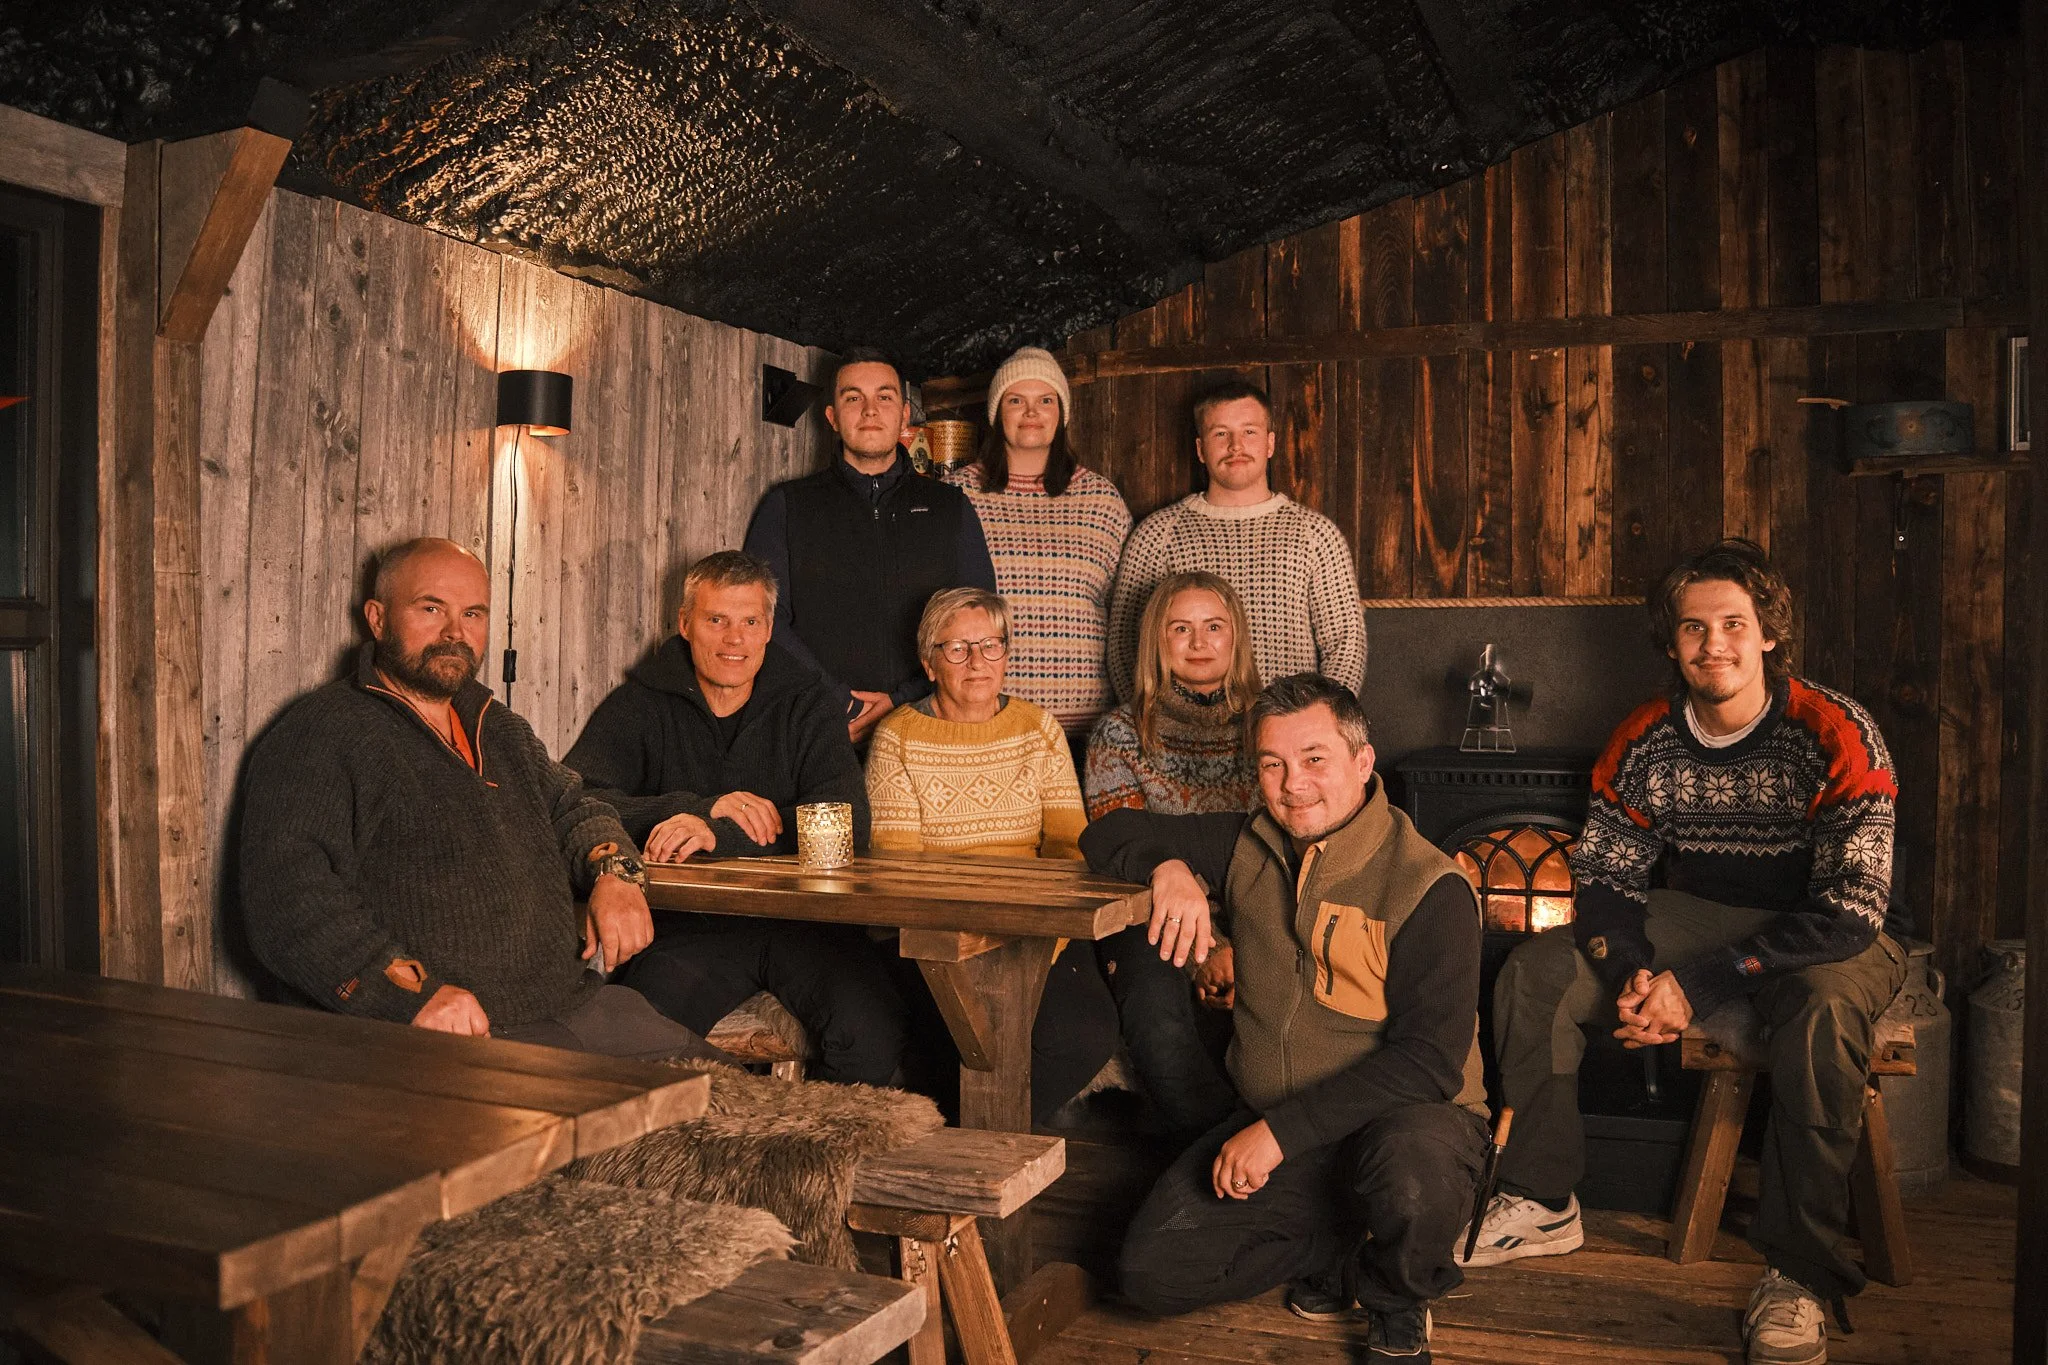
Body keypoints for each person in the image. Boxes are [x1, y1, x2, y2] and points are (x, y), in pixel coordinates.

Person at [1465, 539, 1901, 1365]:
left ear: (1768, 632)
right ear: (1672, 641)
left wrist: (1693, 986)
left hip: (1831, 932)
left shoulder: (1837, 730)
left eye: (1734, 623)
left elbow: (1849, 909)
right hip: (1698, 912)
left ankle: (1799, 1273)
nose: (1714, 645)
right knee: (1536, 971)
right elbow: (1602, 876)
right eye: (1693, 628)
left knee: (1821, 1011)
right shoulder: (1645, 739)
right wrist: (1636, 974)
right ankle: (1540, 1194)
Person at [1082, 674, 1486, 1362]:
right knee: (1150, 1271)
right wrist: (1169, 866)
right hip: (1284, 1126)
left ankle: (1395, 1291)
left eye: (1314, 758)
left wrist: (1278, 1133)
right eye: (1272, 763)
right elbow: (1109, 831)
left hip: (1408, 1122)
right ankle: (1342, 1238)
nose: (1292, 783)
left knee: (1411, 1178)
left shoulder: (1431, 884)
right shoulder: (1249, 844)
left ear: (1363, 762)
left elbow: (1427, 1062)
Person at [240, 537, 721, 1060]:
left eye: (473, 613)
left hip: (569, 1004)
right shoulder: (322, 732)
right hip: (447, 1036)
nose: (455, 632)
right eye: (431, 608)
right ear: (377, 619)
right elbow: (289, 900)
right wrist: (412, 1000)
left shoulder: (499, 730)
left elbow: (577, 809)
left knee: (731, 1100)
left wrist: (618, 875)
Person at [564, 549, 906, 1086]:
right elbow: (573, 801)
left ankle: (805, 1159)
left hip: (806, 924)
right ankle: (683, 1164)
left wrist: (716, 835)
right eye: (716, 620)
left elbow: (846, 824)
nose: (734, 639)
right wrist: (692, 810)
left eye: (750, 622)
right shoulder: (641, 702)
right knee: (626, 1047)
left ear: (769, 629)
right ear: (684, 624)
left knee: (873, 1036)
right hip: (691, 927)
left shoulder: (808, 702)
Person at [865, 587, 1117, 1126]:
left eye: (991, 645)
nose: (977, 661)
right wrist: (980, 933)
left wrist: (1032, 933)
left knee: (1081, 1037)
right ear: (929, 663)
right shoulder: (898, 738)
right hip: (935, 932)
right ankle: (975, 1164)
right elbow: (900, 870)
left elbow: (1069, 846)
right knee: (960, 1044)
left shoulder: (1037, 728)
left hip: (1039, 926)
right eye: (957, 649)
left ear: (1007, 653)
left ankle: (972, 1146)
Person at [1081, 570, 1259, 1135]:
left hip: (1260, 906)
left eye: (1214, 627)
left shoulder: (1272, 725)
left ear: (1237, 639)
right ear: (1157, 641)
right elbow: (1118, 848)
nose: (1200, 642)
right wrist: (1203, 952)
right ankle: (1208, 1155)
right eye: (1181, 629)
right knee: (1154, 1003)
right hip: (1149, 912)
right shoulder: (1121, 733)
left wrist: (1236, 946)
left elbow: (1286, 847)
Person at [743, 348, 997, 744]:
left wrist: (903, 700)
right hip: (821, 730)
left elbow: (982, 621)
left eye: (884, 396)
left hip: (930, 727)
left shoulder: (951, 508)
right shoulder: (787, 506)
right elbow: (761, 618)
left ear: (905, 414)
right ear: (831, 416)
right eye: (852, 397)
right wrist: (840, 701)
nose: (869, 410)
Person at [1106, 379, 1365, 702]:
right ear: (1201, 449)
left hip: (1286, 735)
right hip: (1184, 735)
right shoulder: (1157, 534)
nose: (1235, 446)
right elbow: (1124, 646)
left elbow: (1345, 644)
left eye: (1249, 432)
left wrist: (1316, 721)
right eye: (1221, 434)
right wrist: (1154, 722)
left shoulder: (1316, 535)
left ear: (1270, 444)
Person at [943, 346, 1131, 745]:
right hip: (984, 721)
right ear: (997, 415)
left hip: (1086, 727)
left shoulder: (1102, 501)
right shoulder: (956, 495)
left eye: (1045, 400)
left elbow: (1126, 619)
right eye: (1016, 401)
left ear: (1061, 414)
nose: (1031, 412)